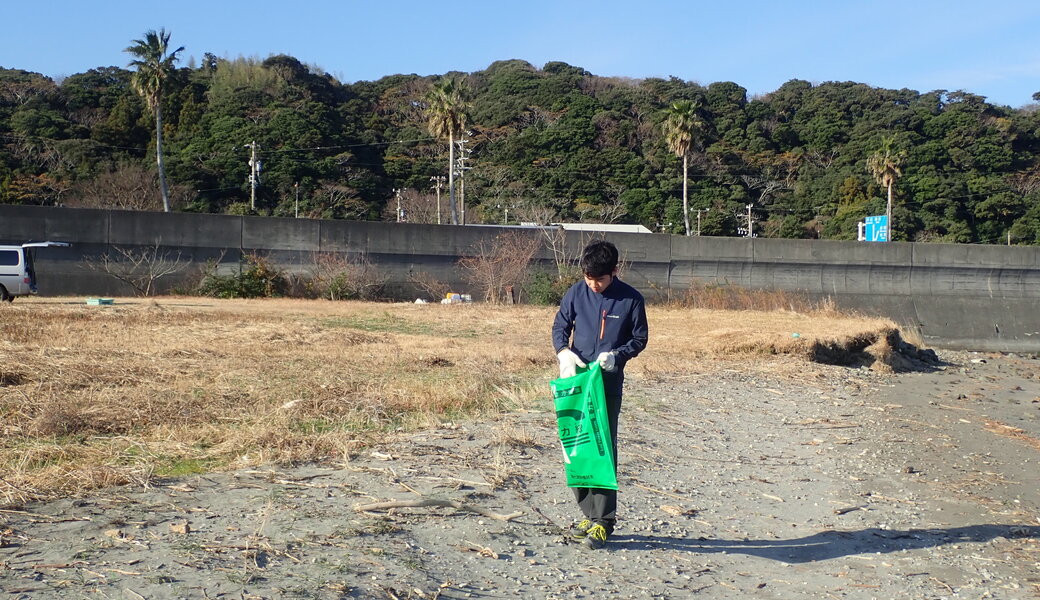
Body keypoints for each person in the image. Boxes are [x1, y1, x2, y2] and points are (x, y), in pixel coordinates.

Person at [552, 239, 649, 549]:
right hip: (576, 382)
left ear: (614, 272)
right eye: (588, 277)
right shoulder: (576, 292)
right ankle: (587, 514)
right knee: (576, 445)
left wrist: (617, 357)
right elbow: (560, 325)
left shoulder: (631, 299)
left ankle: (604, 521)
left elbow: (639, 339)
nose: (593, 284)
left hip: (606, 383)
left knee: (602, 446)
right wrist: (563, 352)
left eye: (600, 279)